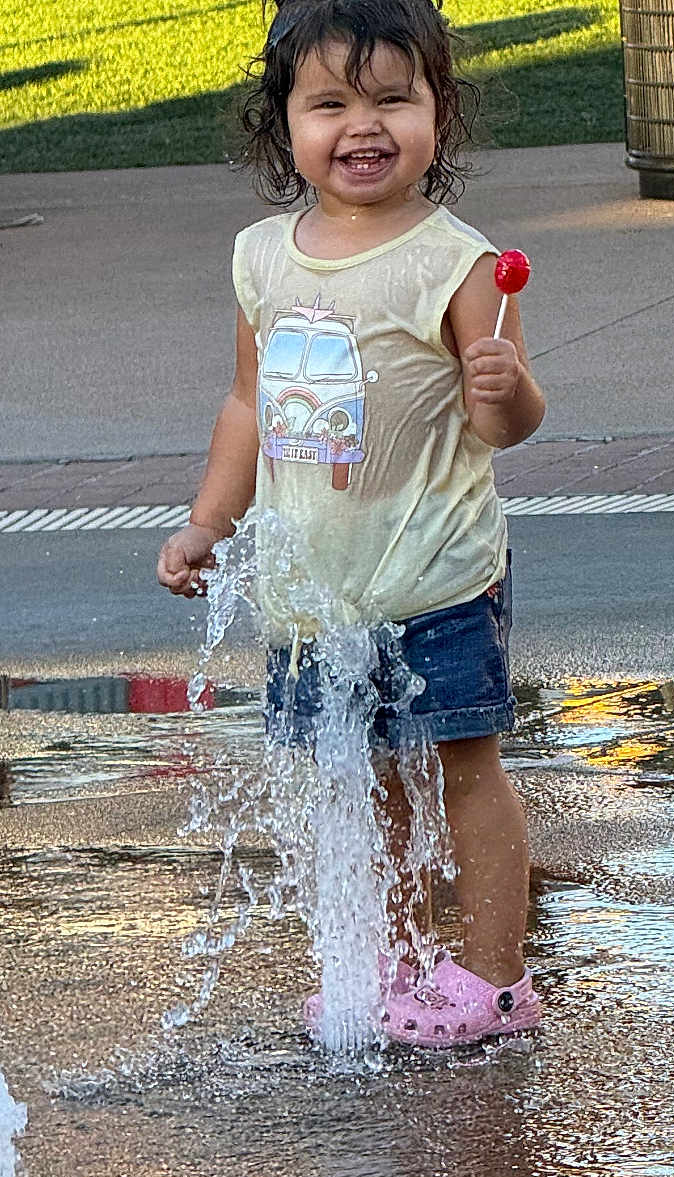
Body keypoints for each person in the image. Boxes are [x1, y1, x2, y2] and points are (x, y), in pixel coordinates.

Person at [156, 0, 545, 1047]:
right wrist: (205, 524)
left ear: (438, 113)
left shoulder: (456, 263)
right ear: (284, 122)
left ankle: (494, 978)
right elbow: (249, 406)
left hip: (437, 572)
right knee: (361, 777)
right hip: (314, 584)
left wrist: (505, 386)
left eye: (392, 100)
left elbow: (502, 425)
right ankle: (390, 957)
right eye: (330, 102)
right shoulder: (260, 259)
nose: (361, 127)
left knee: (465, 764)